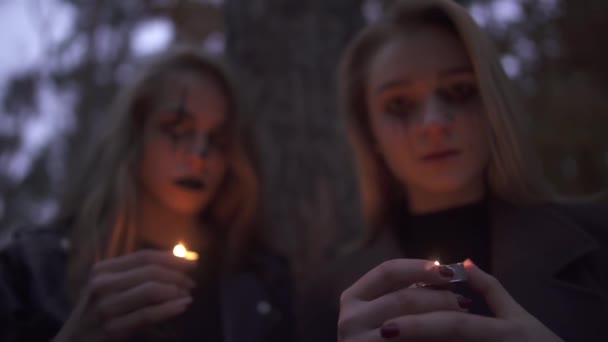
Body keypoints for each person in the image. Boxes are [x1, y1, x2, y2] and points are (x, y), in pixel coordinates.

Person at [297, 0, 608, 341]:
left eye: (459, 91)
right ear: (370, 132)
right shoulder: (326, 298)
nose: (433, 123)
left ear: (494, 105)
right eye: (399, 104)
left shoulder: (596, 243)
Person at [0, 47, 293, 342]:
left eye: (217, 139)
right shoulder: (35, 271)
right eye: (177, 129)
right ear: (136, 135)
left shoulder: (260, 286)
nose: (199, 153)